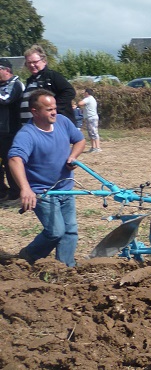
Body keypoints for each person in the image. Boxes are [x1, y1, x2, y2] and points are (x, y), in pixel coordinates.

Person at [8, 89, 86, 267]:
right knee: (56, 231)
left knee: (70, 231)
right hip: (43, 191)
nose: (54, 112)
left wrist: (73, 156)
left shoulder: (63, 122)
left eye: (55, 108)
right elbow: (14, 159)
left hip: (66, 187)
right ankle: (28, 256)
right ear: (35, 112)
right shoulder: (27, 134)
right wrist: (25, 188)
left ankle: (65, 267)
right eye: (49, 109)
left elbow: (80, 140)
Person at [19, 44, 76, 125]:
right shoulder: (30, 80)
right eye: (29, 63)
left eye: (35, 62)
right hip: (33, 127)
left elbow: (69, 92)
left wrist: (52, 109)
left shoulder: (52, 76)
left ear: (44, 61)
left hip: (52, 126)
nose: (32, 65)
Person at [0, 58, 25, 203]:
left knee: (10, 163)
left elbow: (6, 99)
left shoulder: (16, 84)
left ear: (6, 70)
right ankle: (2, 191)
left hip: (11, 132)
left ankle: (15, 193)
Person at [78, 88, 101, 152]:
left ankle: (97, 147)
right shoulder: (92, 99)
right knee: (91, 133)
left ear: (87, 93)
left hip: (91, 117)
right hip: (91, 117)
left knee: (94, 132)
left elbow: (80, 103)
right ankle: (93, 147)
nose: (84, 94)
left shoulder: (88, 98)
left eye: (84, 92)